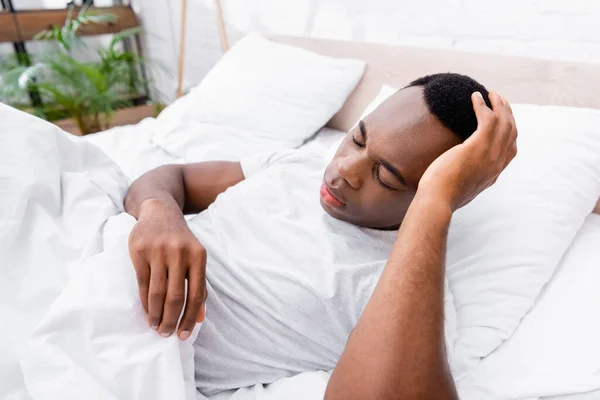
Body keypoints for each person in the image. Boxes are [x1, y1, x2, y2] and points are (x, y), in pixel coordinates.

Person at [124, 73, 517, 399]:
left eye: (384, 176)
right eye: (358, 139)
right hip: (100, 260)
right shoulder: (293, 164)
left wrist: (437, 204)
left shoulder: (401, 289)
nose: (345, 167)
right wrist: (159, 215)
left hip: (125, 351)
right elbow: (168, 178)